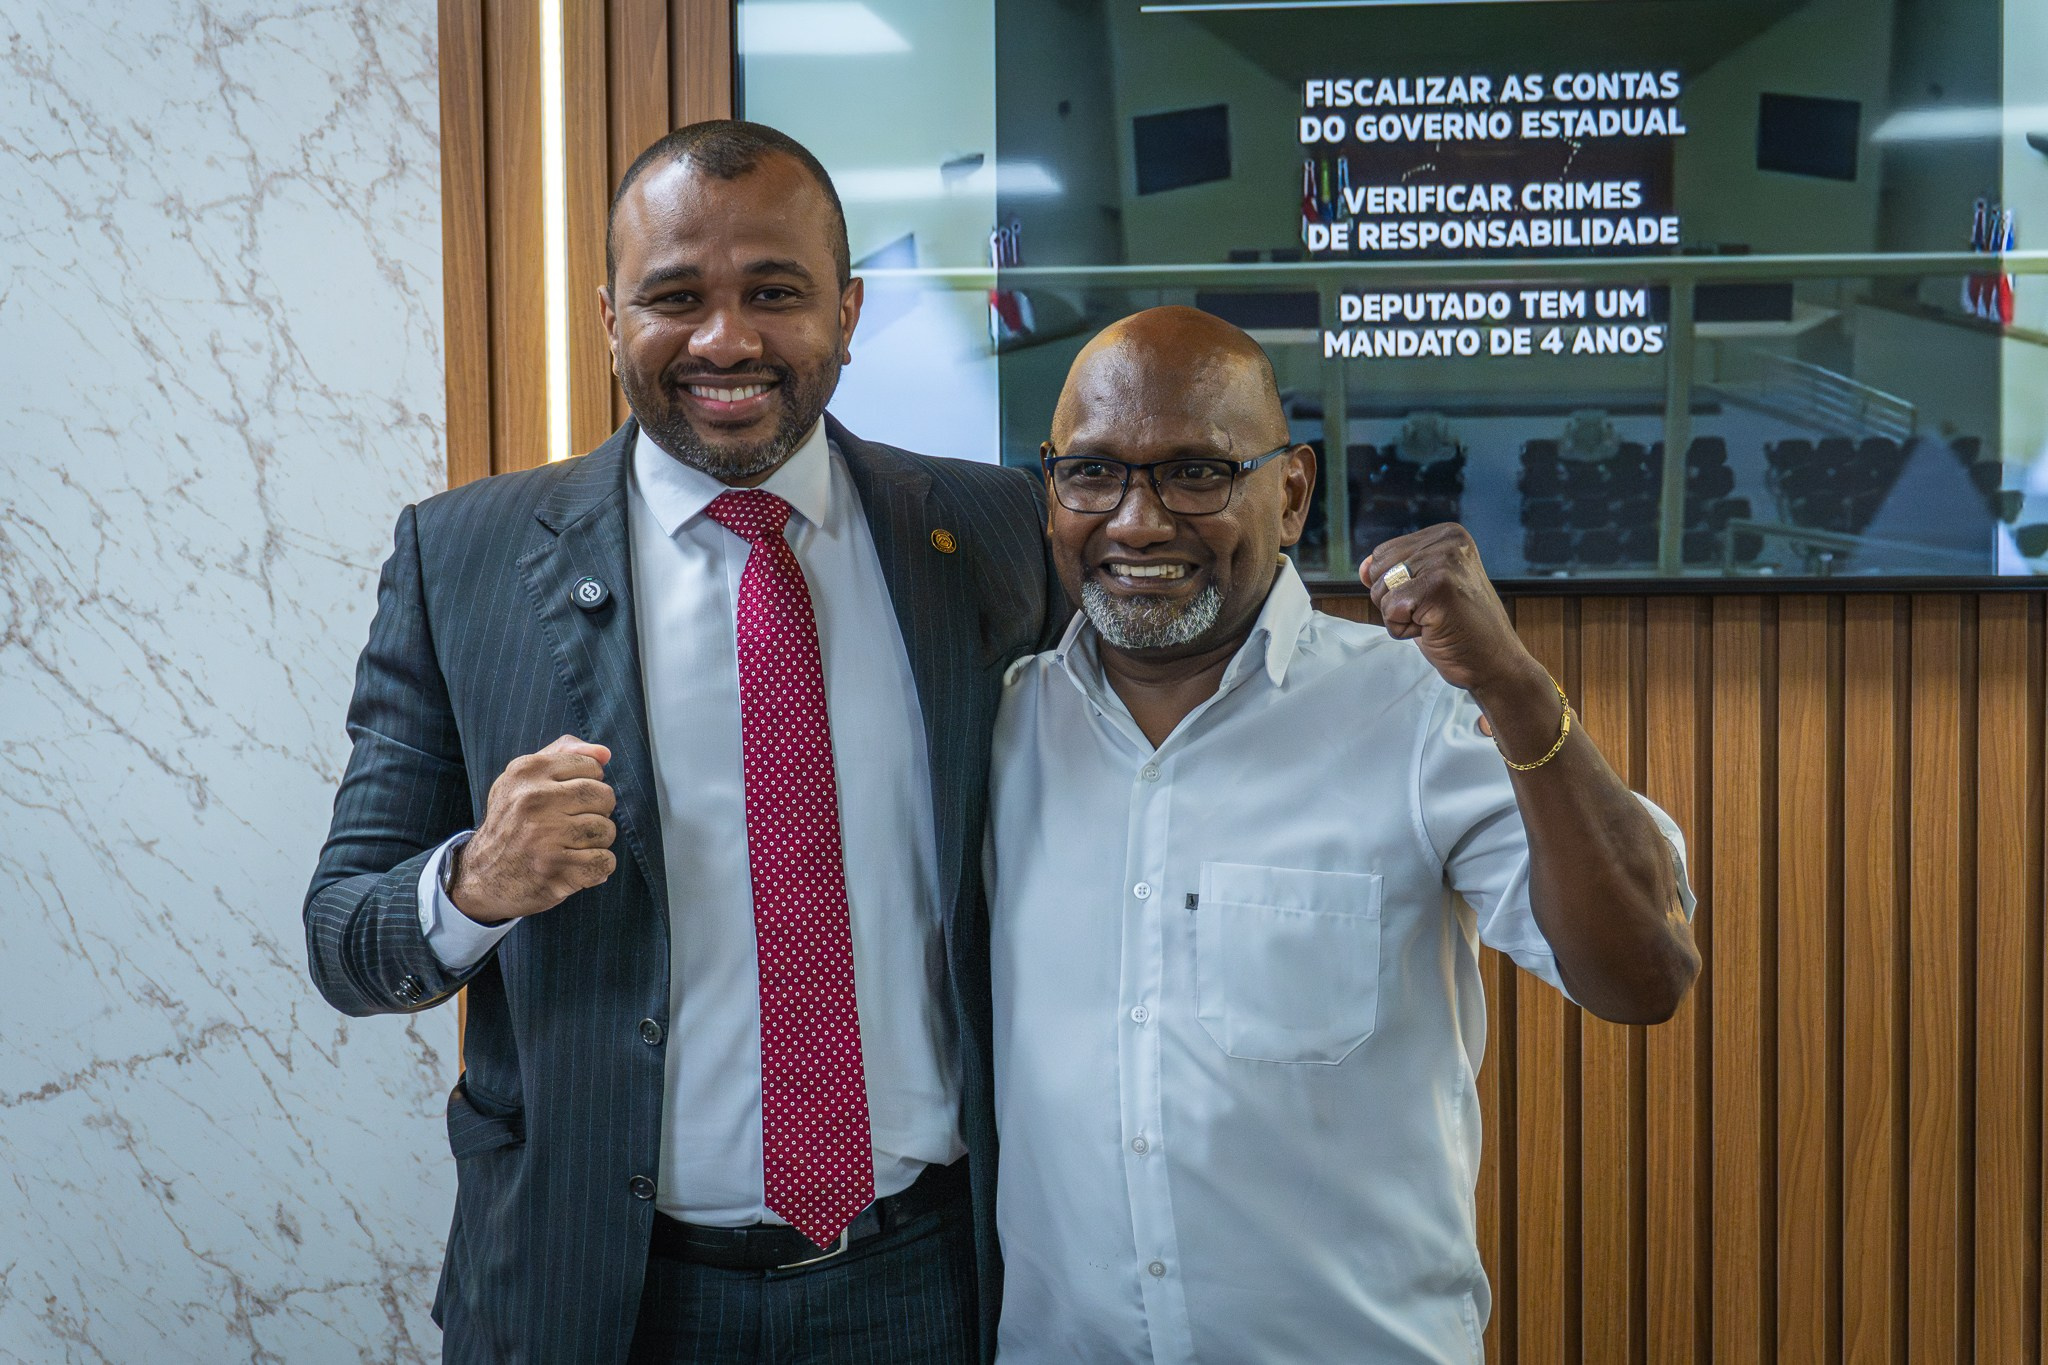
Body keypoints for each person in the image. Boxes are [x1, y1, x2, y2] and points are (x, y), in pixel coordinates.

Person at [304, 120, 1059, 1365]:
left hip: (925, 1280)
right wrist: (475, 882)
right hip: (597, 1290)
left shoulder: (990, 530)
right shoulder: (464, 558)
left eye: (774, 293)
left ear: (847, 312)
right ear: (611, 319)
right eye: (673, 298)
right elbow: (344, 940)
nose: (724, 340)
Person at [986, 306, 1700, 1363]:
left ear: (1290, 491)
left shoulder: (1416, 711)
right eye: (1092, 473)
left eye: (1195, 473)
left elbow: (1644, 974)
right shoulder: (1000, 726)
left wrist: (1512, 684)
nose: (1136, 522)